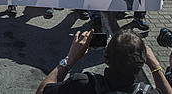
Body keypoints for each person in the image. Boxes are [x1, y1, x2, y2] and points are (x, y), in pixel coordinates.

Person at [36, 29, 164, 94]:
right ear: (142, 61)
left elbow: (42, 91)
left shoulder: (83, 84)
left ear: (106, 57)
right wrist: (155, 67)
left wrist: (70, 59)